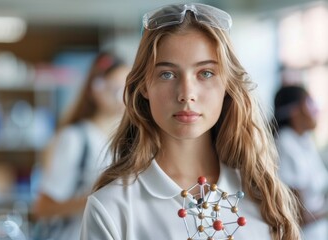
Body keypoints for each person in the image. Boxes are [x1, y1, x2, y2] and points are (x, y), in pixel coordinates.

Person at [80, 3, 301, 240]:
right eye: (167, 74)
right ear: (144, 85)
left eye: (205, 73)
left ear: (227, 84)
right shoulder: (111, 209)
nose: (186, 93)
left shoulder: (264, 197)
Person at [32, 51, 130, 240]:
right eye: (115, 88)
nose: (121, 96)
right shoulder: (75, 138)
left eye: (127, 87)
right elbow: (42, 208)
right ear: (96, 88)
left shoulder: (131, 139)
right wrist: (98, 201)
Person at [273, 84, 328, 239]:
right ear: (294, 111)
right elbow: (297, 217)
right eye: (309, 103)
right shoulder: (285, 145)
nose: (316, 110)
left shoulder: (304, 139)